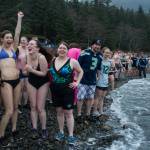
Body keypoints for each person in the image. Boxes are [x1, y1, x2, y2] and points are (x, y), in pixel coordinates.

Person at [49, 41, 83, 145]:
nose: (62, 49)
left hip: (68, 91)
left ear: (67, 50)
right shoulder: (53, 60)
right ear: (57, 49)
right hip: (55, 90)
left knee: (68, 113)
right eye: (60, 48)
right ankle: (61, 132)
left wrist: (77, 82)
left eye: (64, 48)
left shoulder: (72, 61)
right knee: (59, 112)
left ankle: (71, 135)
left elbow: (81, 71)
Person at [0, 11, 24, 146]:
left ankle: (14, 129)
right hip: (5, 82)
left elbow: (17, 33)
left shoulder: (14, 48)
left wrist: (19, 19)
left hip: (17, 80)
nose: (10, 39)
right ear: (2, 39)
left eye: (10, 37)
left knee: (15, 107)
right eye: (7, 37)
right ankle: (1, 133)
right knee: (8, 110)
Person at [25, 39, 50, 139]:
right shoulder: (27, 56)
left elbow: (44, 73)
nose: (29, 46)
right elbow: (27, 73)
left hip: (43, 82)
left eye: (31, 44)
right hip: (31, 81)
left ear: (37, 48)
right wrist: (26, 71)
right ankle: (34, 128)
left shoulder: (42, 57)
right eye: (28, 44)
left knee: (40, 107)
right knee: (33, 106)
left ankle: (44, 129)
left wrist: (31, 70)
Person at [77, 38, 102, 122]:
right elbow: (77, 65)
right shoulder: (84, 53)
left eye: (99, 45)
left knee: (90, 98)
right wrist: (76, 78)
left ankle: (87, 114)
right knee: (80, 98)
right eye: (96, 44)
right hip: (82, 80)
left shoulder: (100, 56)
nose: (97, 46)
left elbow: (98, 69)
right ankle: (79, 114)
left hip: (92, 81)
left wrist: (98, 77)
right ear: (92, 45)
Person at [93, 47, 113, 116]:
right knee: (97, 97)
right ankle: (94, 111)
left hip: (105, 81)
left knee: (102, 97)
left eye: (108, 52)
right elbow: (96, 70)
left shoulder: (110, 61)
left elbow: (108, 72)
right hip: (99, 81)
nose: (107, 54)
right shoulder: (100, 60)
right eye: (106, 52)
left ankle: (101, 110)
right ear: (103, 52)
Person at [16, 36, 29, 108]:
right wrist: (17, 70)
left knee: (26, 87)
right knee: (20, 87)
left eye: (24, 40)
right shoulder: (17, 48)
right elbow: (15, 60)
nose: (23, 42)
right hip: (19, 70)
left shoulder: (29, 49)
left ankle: (26, 103)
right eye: (21, 40)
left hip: (27, 71)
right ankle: (19, 103)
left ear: (27, 41)